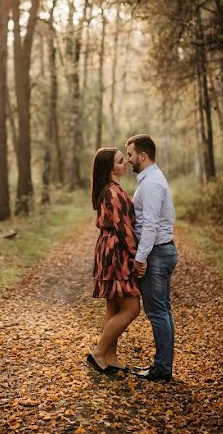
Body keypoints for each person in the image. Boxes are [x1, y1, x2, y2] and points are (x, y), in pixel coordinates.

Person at [126, 134, 177, 382]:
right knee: (162, 311)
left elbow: (151, 224)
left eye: (130, 154)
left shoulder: (152, 183)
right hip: (158, 251)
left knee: (158, 312)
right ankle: (163, 366)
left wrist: (140, 257)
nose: (128, 160)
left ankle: (162, 369)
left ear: (142, 155)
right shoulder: (149, 180)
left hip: (156, 253)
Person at [86, 147, 141, 375]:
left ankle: (110, 358)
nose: (125, 163)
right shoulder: (113, 192)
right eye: (121, 161)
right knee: (131, 307)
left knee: (114, 305)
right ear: (111, 168)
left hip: (108, 249)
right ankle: (99, 353)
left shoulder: (110, 189)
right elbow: (124, 228)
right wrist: (136, 255)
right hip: (116, 251)